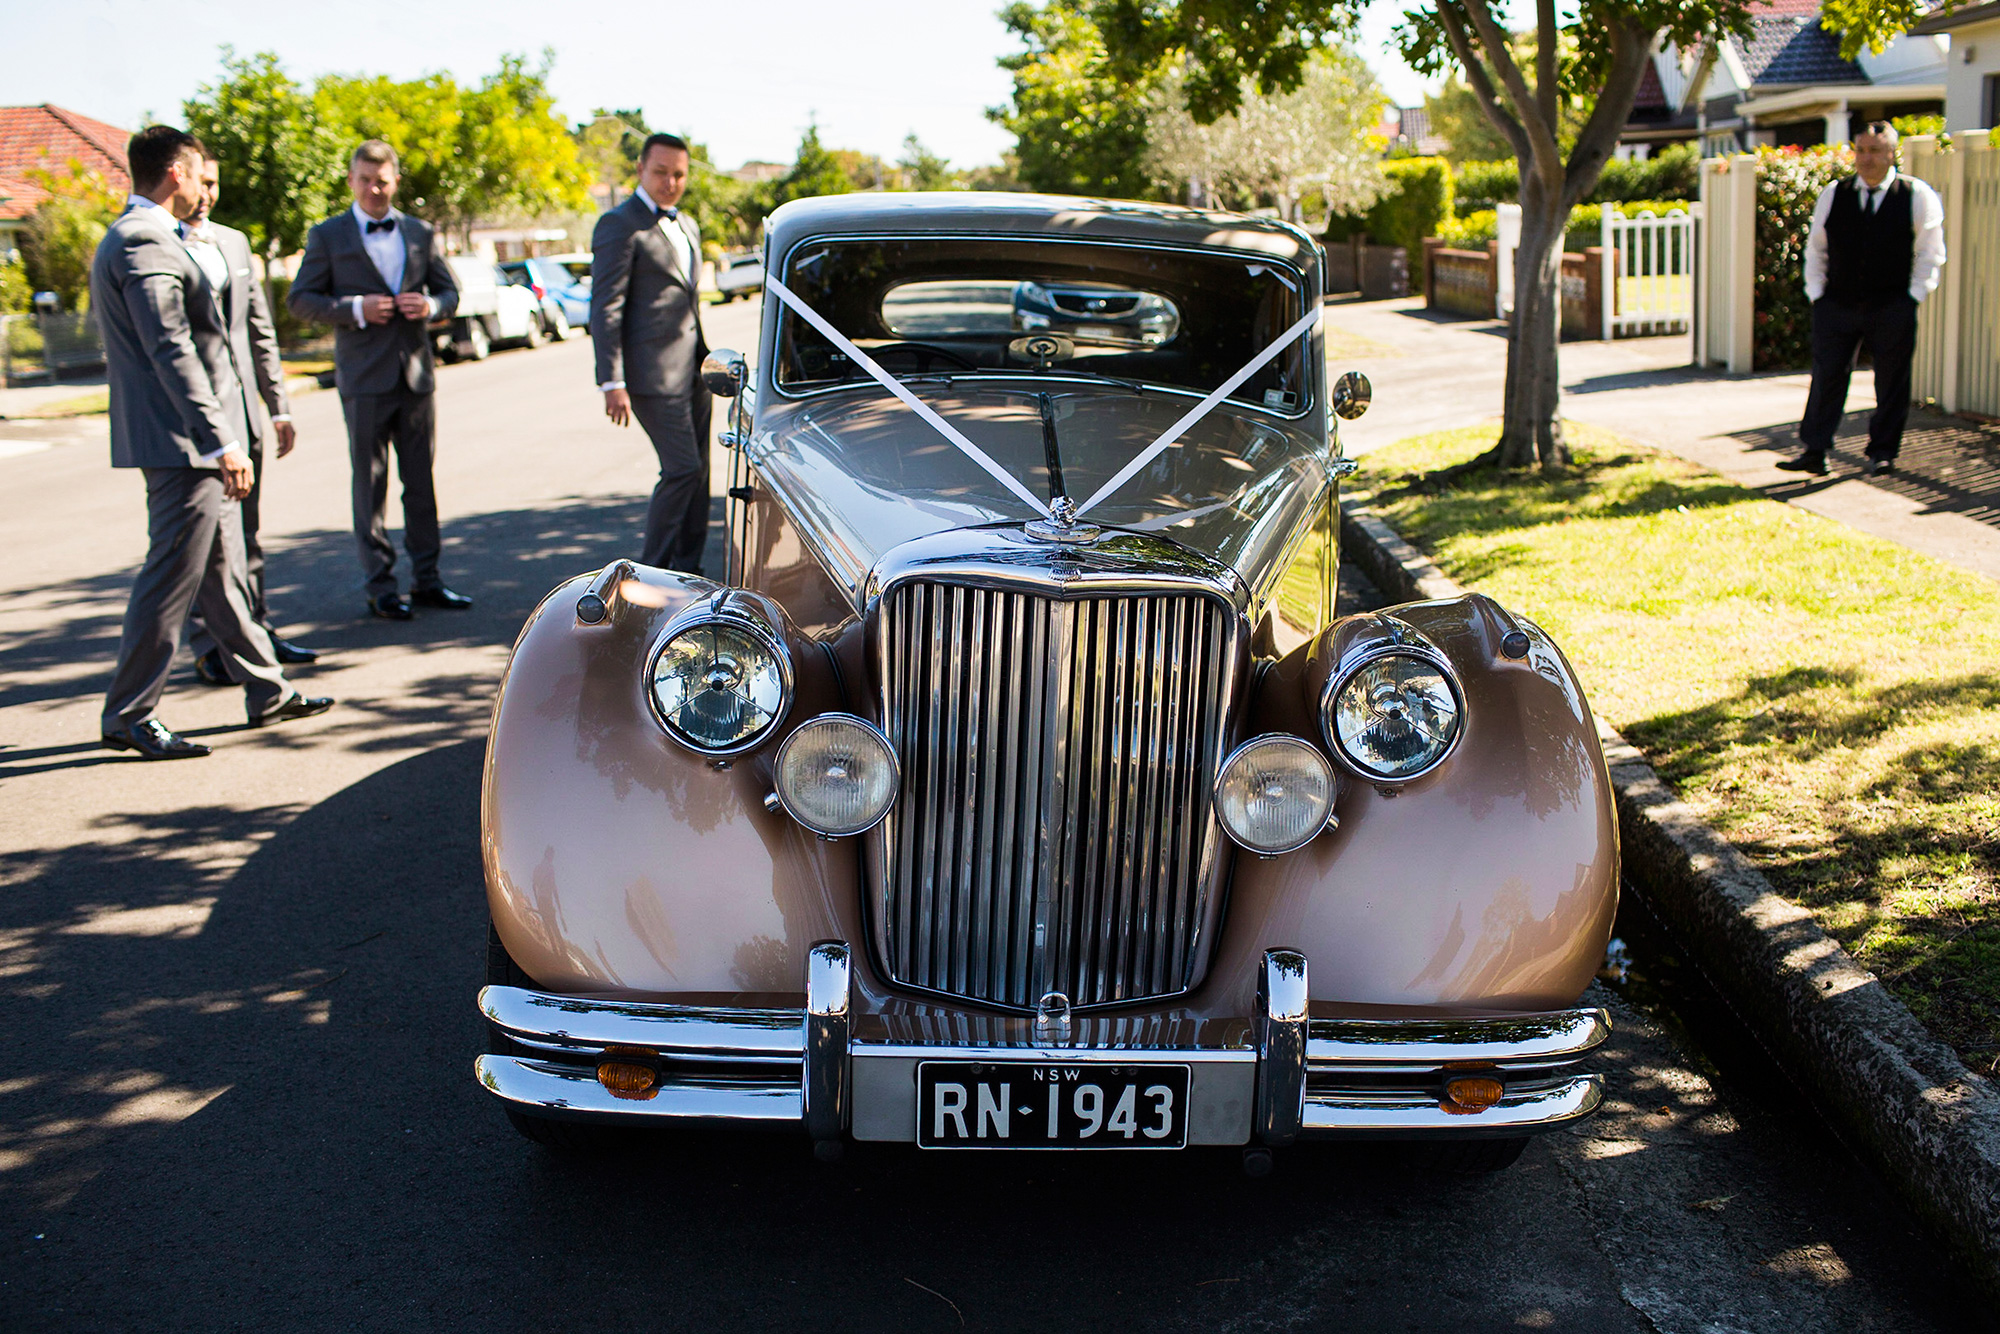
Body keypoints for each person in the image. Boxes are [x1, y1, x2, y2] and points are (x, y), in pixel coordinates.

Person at [93, 125, 333, 760]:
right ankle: (129, 712)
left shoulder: (149, 237)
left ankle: (267, 688)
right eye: (200, 175)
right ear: (175, 173)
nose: (206, 188)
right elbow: (170, 349)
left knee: (221, 571)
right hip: (183, 445)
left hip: (191, 441)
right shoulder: (144, 241)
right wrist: (220, 439)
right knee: (172, 575)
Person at [288, 139, 469, 620]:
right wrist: (354, 309)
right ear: (351, 181)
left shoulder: (419, 231)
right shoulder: (327, 235)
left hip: (414, 376)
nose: (374, 189)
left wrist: (430, 307)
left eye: (382, 181)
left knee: (421, 485)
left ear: (395, 182)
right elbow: (300, 300)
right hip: (363, 379)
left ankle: (429, 580)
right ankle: (381, 586)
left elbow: (450, 291)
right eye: (365, 180)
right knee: (370, 487)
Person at [182, 149, 320, 682]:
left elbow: (260, 332)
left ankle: (257, 631)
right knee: (207, 544)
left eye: (215, 183)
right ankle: (210, 646)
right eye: (203, 182)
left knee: (248, 532)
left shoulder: (235, 242)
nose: (208, 193)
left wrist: (278, 406)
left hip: (246, 416)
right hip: (199, 423)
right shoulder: (162, 246)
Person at [1780, 122, 1947, 478]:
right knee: (1827, 375)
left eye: (1875, 150)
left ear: (1891, 154)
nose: (1866, 158)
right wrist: (1817, 294)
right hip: (1837, 303)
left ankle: (1883, 453)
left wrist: (1912, 297)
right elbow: (1817, 249)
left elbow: (1930, 253)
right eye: (1861, 150)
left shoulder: (1915, 195)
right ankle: (1815, 450)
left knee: (1891, 380)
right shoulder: (1834, 194)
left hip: (1891, 305)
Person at [591, 132, 712, 572]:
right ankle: (650, 574)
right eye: (660, 172)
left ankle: (689, 573)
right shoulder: (619, 224)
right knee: (681, 469)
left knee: (699, 476)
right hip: (649, 374)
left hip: (695, 370)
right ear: (640, 169)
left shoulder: (688, 225)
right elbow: (606, 306)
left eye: (679, 173)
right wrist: (612, 380)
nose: (670, 181)